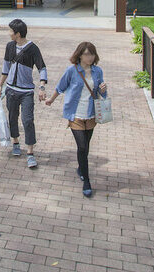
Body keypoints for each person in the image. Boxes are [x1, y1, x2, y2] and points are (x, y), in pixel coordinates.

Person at [44, 41, 107, 197]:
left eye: (92, 54)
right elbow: (60, 87)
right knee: (82, 147)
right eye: (87, 54)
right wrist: (51, 100)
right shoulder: (72, 70)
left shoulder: (97, 71)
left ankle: (81, 168)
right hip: (76, 114)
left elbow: (102, 94)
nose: (90, 57)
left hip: (91, 114)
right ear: (79, 55)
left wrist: (103, 90)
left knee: (85, 147)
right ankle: (87, 181)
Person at [0, 19, 48, 169]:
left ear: (17, 34)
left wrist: (42, 86)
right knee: (12, 118)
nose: (9, 34)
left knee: (27, 120)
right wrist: (0, 85)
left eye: (10, 31)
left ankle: (30, 153)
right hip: (11, 90)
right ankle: (15, 142)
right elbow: (5, 67)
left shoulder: (33, 49)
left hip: (26, 92)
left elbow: (42, 68)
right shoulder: (10, 46)